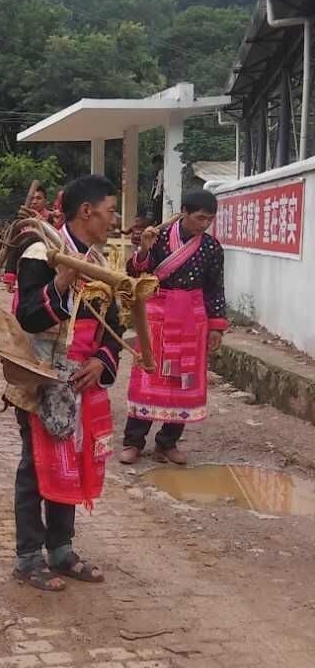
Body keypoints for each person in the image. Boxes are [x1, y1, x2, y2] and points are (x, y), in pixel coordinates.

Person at [11, 175, 122, 592]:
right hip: (41, 377)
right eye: (111, 211)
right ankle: (27, 557)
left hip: (81, 379)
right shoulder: (41, 252)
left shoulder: (103, 259)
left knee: (70, 459)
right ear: (87, 211)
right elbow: (27, 316)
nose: (115, 220)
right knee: (35, 466)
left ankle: (61, 549)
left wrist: (101, 360)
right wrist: (63, 278)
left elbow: (114, 323)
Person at [120, 188, 228, 466]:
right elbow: (135, 273)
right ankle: (133, 440)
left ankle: (167, 442)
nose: (204, 224)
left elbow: (215, 288)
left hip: (193, 318)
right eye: (200, 218)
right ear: (185, 213)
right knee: (149, 372)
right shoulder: (158, 238)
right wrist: (143, 248)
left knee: (184, 379)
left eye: (209, 220)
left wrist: (216, 326)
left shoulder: (212, 248)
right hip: (158, 314)